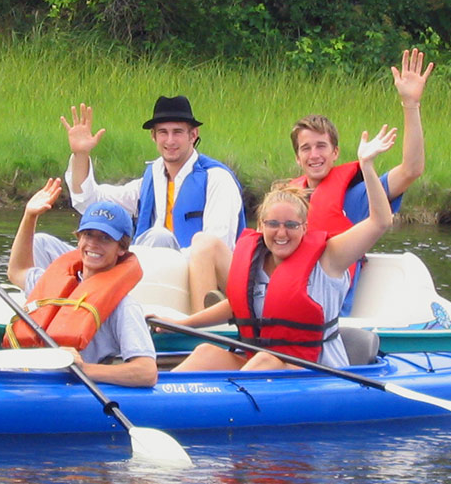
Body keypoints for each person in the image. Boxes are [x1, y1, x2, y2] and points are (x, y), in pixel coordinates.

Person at [163, 126, 397, 371]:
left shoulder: (329, 258)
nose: (282, 233)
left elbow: (380, 221)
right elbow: (238, 304)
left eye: (291, 225)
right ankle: (158, 405)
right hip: (260, 368)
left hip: (317, 372)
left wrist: (367, 166)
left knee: (266, 360)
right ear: (261, 225)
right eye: (273, 224)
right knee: (206, 353)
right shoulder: (258, 260)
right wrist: (184, 323)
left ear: (305, 227)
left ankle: (229, 405)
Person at [37, 97, 245, 314]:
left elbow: (220, 244)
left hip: (194, 279)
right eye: (163, 132)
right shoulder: (152, 177)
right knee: (42, 244)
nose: (170, 140)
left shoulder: (217, 179)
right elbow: (90, 201)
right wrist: (81, 154)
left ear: (193, 135)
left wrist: (146, 258)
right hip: (147, 272)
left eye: (178, 132)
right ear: (153, 136)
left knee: (158, 237)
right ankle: (49, 313)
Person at [290, 48, 434, 315]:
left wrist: (410, 105)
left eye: (321, 146)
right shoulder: (287, 200)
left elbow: (411, 169)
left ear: (335, 153)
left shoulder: (357, 197)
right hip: (286, 302)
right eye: (306, 148)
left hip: (326, 315)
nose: (314, 155)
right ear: (298, 158)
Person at [6, 178, 158, 387]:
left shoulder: (124, 307)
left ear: (121, 248)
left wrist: (82, 369)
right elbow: (17, 271)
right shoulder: (54, 283)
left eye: (105, 238)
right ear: (78, 238)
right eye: (88, 234)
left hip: (64, 389)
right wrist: (29, 216)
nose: (93, 244)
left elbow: (147, 372)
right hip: (24, 377)